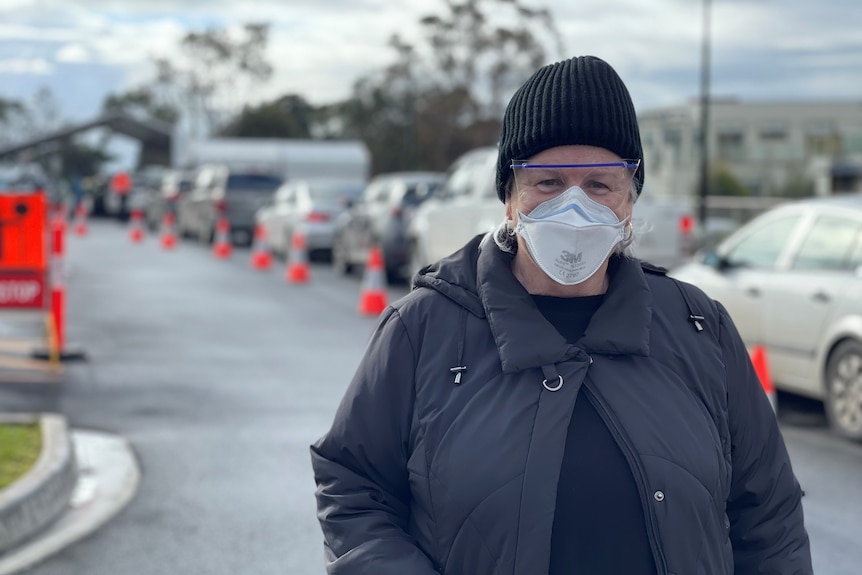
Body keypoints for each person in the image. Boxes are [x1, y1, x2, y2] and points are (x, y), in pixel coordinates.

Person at [310, 55, 812, 575]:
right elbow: (354, 488)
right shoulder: (423, 331)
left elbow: (769, 515)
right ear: (510, 198)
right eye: (548, 182)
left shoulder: (698, 327)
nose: (574, 207)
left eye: (600, 184)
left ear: (629, 201)